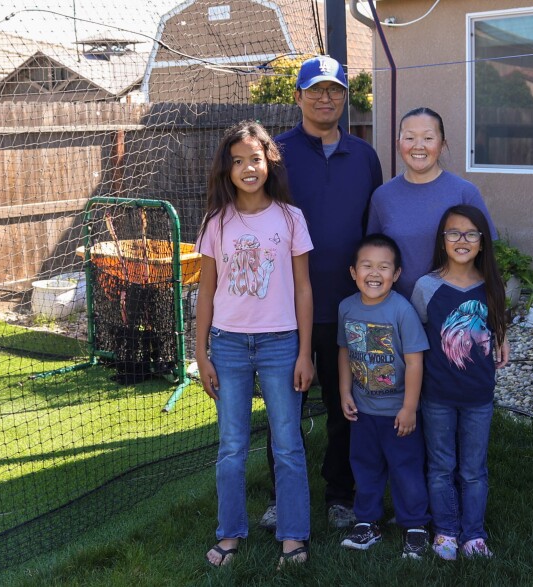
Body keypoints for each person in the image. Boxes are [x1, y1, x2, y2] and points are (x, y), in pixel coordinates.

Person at [260, 55, 384, 530]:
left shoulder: (365, 156)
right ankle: (281, 496)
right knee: (283, 407)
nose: (325, 98)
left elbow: (371, 229)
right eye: (315, 90)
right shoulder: (277, 154)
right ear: (298, 97)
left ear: (345, 98)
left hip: (347, 305)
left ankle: (340, 494)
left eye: (334, 90)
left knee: (342, 405)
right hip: (285, 307)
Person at [195, 121, 313, 568]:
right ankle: (229, 534)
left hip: (282, 345)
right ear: (227, 169)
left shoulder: (290, 218)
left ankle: (294, 537)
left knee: (287, 443)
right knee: (231, 446)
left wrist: (304, 351)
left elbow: (303, 288)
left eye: (255, 159)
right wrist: (200, 352)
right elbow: (206, 292)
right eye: (238, 160)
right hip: (227, 346)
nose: (247, 168)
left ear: (269, 164)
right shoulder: (216, 222)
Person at [410, 204, 511, 561]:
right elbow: (417, 335)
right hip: (436, 395)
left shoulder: (493, 286)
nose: (462, 240)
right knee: (440, 467)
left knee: (473, 470)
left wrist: (502, 336)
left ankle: (474, 535)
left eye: (471, 234)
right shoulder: (427, 287)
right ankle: (446, 532)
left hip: (479, 398)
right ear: (443, 240)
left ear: (483, 242)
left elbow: (496, 324)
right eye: (454, 233)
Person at [337, 234, 431, 559]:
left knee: (406, 468)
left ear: (397, 273)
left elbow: (416, 361)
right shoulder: (346, 308)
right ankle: (368, 523)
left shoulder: (401, 311)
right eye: (367, 266)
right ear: (353, 271)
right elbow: (345, 351)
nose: (374, 273)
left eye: (383, 267)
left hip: (397, 412)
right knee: (364, 467)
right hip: (363, 411)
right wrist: (344, 390)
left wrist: (410, 408)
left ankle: (416, 527)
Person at [367, 107, 497, 300]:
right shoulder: (383, 197)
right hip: (398, 309)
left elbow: (487, 255)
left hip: (452, 312)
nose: (418, 146)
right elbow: (372, 256)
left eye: (428, 138)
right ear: (398, 144)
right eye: (410, 138)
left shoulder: (465, 193)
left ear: (442, 144)